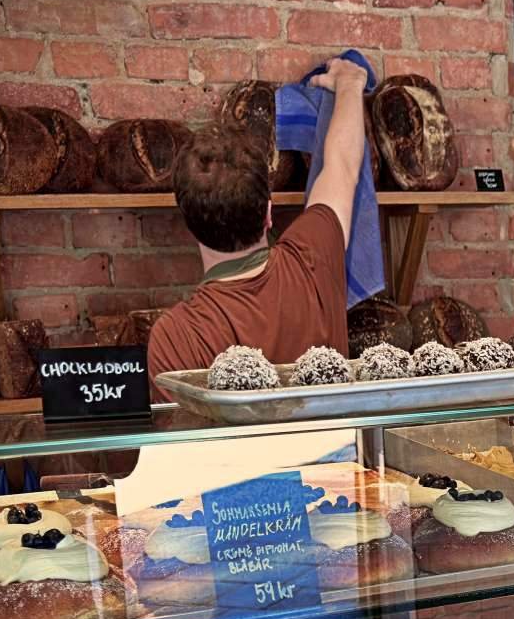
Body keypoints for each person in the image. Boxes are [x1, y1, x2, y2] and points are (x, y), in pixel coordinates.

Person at [148, 57, 367, 381]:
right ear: (268, 212)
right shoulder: (313, 254)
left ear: (189, 223)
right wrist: (350, 81)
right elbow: (343, 164)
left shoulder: (176, 336)